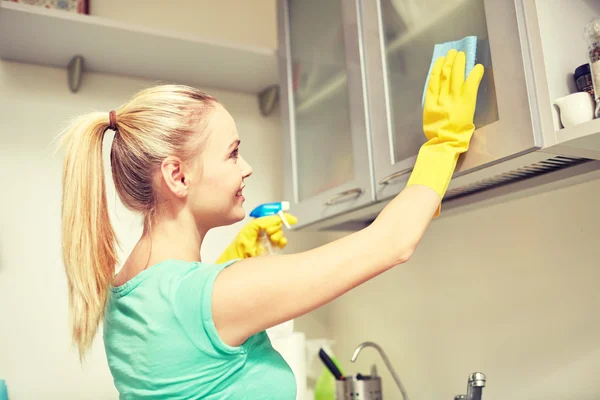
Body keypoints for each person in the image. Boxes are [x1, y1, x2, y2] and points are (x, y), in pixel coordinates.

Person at [58, 49, 483, 399]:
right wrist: (442, 146)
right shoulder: (213, 297)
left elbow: (187, 343)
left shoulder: (125, 290)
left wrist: (234, 258)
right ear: (178, 176)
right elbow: (391, 243)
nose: (247, 167)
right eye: (232, 153)